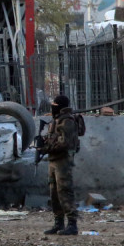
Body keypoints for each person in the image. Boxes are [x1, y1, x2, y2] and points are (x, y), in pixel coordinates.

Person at [37, 95, 80, 236]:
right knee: (54, 193)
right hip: (54, 160)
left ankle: (72, 224)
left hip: (63, 161)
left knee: (65, 192)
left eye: (55, 104)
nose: (52, 106)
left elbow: (65, 143)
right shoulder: (56, 120)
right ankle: (58, 223)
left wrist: (47, 148)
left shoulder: (67, 120)